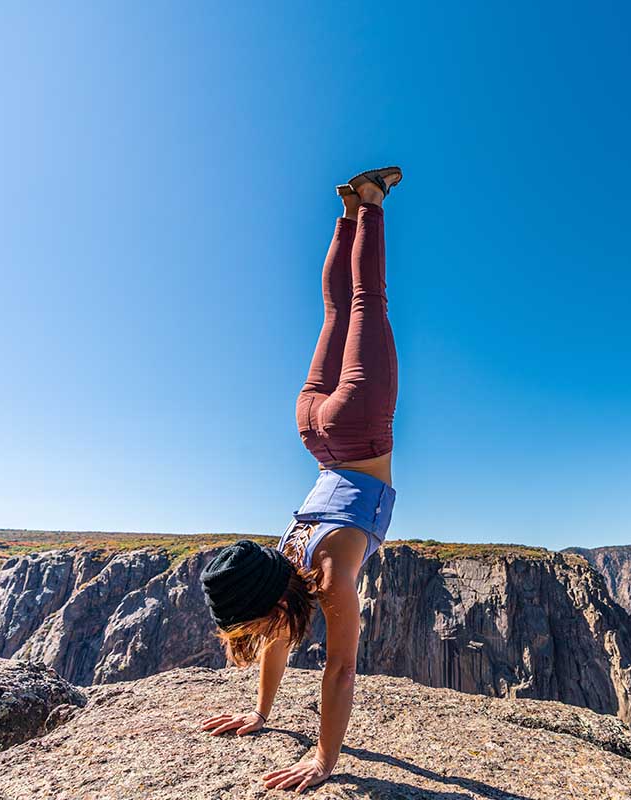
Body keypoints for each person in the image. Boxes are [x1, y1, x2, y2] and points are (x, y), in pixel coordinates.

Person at [195, 166, 403, 793]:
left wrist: (324, 759)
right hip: (313, 428)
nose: (261, 636)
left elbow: (340, 671)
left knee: (366, 303)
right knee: (342, 308)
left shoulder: (329, 576)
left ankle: (369, 203)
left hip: (359, 428)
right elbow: (294, 648)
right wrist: (264, 718)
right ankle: (347, 213)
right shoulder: (287, 559)